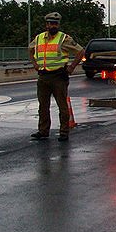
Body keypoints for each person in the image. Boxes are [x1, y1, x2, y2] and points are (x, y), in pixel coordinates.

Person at [28, 11, 84, 141]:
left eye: (55, 24)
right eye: (50, 24)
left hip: (59, 76)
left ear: (58, 25)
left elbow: (81, 51)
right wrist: (35, 64)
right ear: (46, 25)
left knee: (62, 106)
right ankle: (43, 131)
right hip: (43, 76)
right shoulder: (39, 38)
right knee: (43, 106)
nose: (53, 26)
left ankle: (64, 132)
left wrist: (71, 68)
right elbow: (30, 49)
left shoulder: (64, 38)